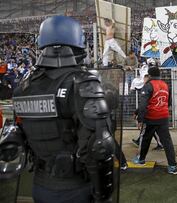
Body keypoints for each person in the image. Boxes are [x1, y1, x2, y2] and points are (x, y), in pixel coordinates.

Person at [0, 16, 117, 203]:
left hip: (40, 186)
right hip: (75, 188)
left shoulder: (24, 86)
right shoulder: (83, 82)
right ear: (77, 43)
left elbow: (20, 132)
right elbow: (99, 147)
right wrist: (103, 195)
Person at [133, 66, 177, 175]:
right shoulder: (165, 85)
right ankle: (172, 166)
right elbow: (168, 102)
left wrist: (140, 119)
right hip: (163, 117)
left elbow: (144, 104)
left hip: (151, 118)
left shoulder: (148, 86)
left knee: (145, 139)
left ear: (149, 75)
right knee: (167, 142)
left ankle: (141, 160)